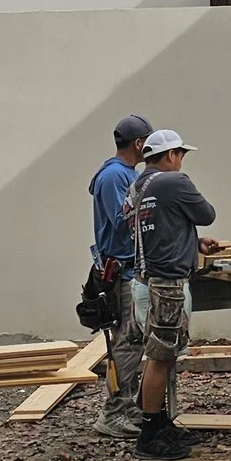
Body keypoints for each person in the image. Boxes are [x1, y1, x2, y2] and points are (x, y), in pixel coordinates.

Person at [131, 129, 218, 459]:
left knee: (158, 357)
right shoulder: (174, 182)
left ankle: (158, 425)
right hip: (167, 285)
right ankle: (149, 436)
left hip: (144, 281)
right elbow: (206, 214)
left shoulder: (138, 187)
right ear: (170, 155)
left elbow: (152, 232)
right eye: (180, 155)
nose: (181, 162)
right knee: (160, 358)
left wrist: (192, 242)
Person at [86, 114, 155, 437]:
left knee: (132, 340)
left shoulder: (126, 174)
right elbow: (122, 221)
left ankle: (127, 406)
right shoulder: (115, 176)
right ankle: (113, 413)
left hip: (129, 267)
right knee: (127, 341)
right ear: (139, 144)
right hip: (121, 270)